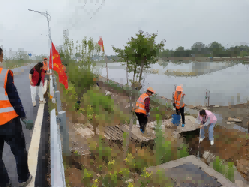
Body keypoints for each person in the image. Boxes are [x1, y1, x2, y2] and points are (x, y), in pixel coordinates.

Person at [0, 47, 33, 187]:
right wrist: (24, 116)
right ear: (1, 56)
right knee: (19, 151)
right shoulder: (5, 74)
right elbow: (14, 98)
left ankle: (4, 183)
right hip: (9, 122)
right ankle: (24, 179)